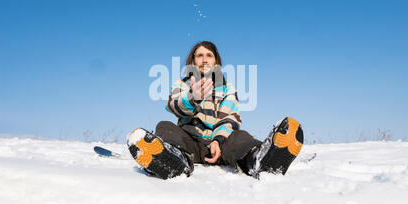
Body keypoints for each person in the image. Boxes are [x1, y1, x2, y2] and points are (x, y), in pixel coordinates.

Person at [127, 41, 304, 179]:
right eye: (199, 56)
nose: (204, 59)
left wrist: (218, 140)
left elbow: (229, 118)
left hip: (220, 147)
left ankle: (260, 160)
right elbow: (173, 105)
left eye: (209, 55)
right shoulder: (181, 85)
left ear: (216, 61)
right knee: (164, 125)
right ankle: (174, 160)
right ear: (193, 61)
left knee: (240, 137)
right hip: (189, 145)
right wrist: (192, 97)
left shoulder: (228, 89)